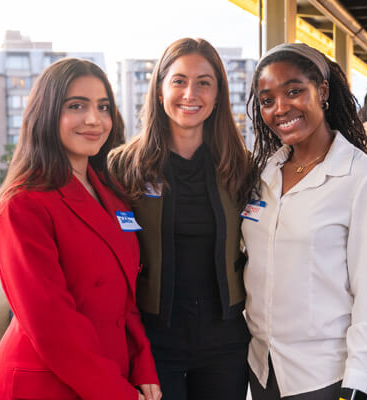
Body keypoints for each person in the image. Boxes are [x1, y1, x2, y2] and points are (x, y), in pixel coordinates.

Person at [0, 58, 160, 400]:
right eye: (76, 106)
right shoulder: (24, 202)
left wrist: (143, 365)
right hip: (46, 381)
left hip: (106, 370)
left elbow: (125, 299)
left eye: (103, 106)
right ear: (47, 113)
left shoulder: (111, 194)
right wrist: (117, 392)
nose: (94, 119)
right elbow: (52, 325)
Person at [244, 43, 367, 400]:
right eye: (267, 100)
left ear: (322, 91)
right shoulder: (264, 174)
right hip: (262, 369)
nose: (280, 108)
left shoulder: (363, 180)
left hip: (325, 376)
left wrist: (357, 383)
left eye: (294, 91)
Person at [108, 38, 252, 400]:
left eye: (204, 82)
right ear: (159, 91)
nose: (191, 93)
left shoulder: (241, 166)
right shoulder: (124, 166)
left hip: (225, 339)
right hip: (153, 341)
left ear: (218, 94)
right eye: (179, 81)